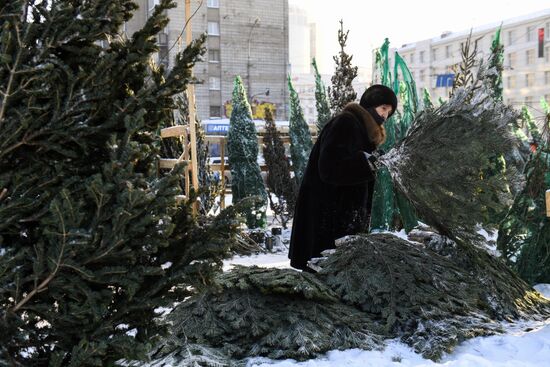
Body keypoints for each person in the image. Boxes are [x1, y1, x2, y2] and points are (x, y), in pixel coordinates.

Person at [288, 84, 398, 272]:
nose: (385, 116)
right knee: (323, 274)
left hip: (340, 216)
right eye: (383, 108)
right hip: (327, 216)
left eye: (389, 111)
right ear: (370, 106)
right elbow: (329, 168)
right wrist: (366, 163)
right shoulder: (346, 123)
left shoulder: (363, 131)